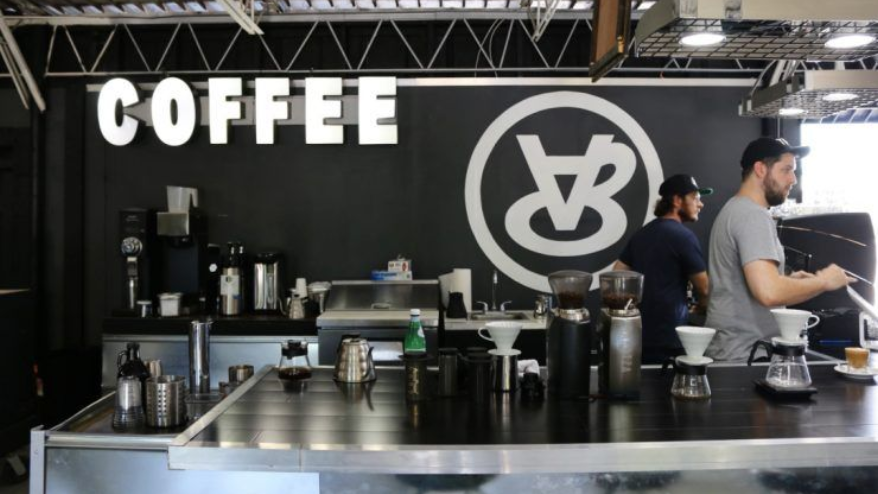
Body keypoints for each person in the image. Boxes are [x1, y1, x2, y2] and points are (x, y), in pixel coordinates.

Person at [704, 137, 854, 362]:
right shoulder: (752, 215)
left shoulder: (734, 209)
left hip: (737, 352)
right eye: (786, 170)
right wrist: (824, 281)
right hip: (748, 355)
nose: (793, 179)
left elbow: (756, 284)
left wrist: (793, 281)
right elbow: (769, 292)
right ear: (760, 169)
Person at [614, 174, 712, 364]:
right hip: (670, 338)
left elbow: (616, 273)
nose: (700, 204)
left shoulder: (641, 234)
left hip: (638, 336)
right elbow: (704, 288)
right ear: (677, 200)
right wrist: (702, 306)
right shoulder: (684, 237)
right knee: (666, 391)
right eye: (695, 198)